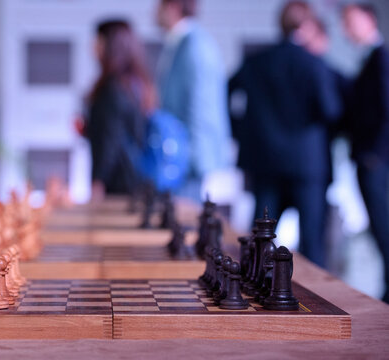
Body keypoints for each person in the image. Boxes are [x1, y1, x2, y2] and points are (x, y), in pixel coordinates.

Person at [228, 1, 342, 267]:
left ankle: (253, 297)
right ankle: (318, 302)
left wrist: (239, 130)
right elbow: (331, 110)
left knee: (261, 241)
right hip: (307, 164)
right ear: (306, 25)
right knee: (312, 242)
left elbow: (228, 90)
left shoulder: (257, 62)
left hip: (265, 160)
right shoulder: (314, 63)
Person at [155, 0, 230, 201]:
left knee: (184, 221)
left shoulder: (195, 45)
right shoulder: (181, 43)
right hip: (180, 156)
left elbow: (200, 107)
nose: (154, 12)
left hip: (187, 160)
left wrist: (192, 159)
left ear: (173, 7)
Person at [342, 4, 389, 303]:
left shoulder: (381, 58)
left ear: (369, 19)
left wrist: (375, 154)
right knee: (378, 225)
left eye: (350, 21)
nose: (346, 28)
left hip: (375, 160)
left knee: (382, 225)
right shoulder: (368, 58)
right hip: (370, 157)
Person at [84, 20, 157, 200]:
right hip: (134, 180)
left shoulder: (113, 88)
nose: (93, 46)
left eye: (98, 40)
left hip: (117, 183)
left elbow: (110, 139)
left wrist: (98, 182)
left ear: (111, 46)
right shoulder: (135, 85)